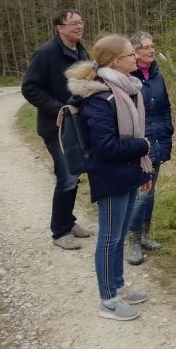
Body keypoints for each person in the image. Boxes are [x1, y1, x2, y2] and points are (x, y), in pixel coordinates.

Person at [65, 35, 153, 321]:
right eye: (131, 54)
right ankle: (108, 301)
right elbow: (107, 147)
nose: (136, 58)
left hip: (128, 172)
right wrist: (144, 146)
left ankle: (119, 286)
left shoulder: (124, 89)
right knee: (109, 239)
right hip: (111, 176)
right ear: (116, 61)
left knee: (118, 236)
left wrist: (142, 168)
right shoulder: (99, 97)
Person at [21, 9, 93, 250]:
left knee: (73, 173)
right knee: (67, 176)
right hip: (56, 127)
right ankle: (59, 232)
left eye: (81, 22)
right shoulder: (45, 53)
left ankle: (68, 221)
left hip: (78, 126)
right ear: (59, 28)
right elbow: (30, 88)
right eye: (73, 23)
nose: (79, 26)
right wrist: (59, 108)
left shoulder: (81, 51)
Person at [126, 32, 173, 266]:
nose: (151, 51)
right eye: (146, 47)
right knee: (141, 192)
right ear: (135, 52)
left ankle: (145, 235)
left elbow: (165, 107)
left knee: (151, 191)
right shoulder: (127, 77)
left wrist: (168, 130)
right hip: (139, 144)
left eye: (153, 46)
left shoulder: (158, 76)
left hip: (158, 140)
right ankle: (133, 240)